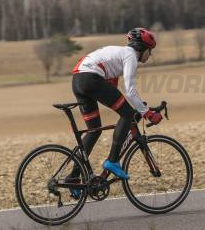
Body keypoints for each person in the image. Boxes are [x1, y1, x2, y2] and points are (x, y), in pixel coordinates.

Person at [67, 27, 162, 194]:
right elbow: (130, 91)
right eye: (150, 50)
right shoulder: (130, 56)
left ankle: (73, 177)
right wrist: (147, 113)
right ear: (142, 48)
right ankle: (112, 161)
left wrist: (143, 108)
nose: (150, 54)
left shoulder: (118, 54)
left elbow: (112, 89)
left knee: (94, 130)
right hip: (90, 78)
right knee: (128, 114)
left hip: (78, 80)